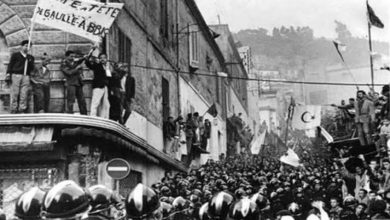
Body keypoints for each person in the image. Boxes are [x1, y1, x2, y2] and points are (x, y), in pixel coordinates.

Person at [6, 40, 35, 113]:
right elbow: (10, 64)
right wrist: (8, 73)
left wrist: (29, 61)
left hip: (26, 76)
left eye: (29, 46)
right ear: (21, 46)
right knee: (15, 93)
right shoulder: (15, 55)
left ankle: (22, 108)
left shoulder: (30, 57)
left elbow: (32, 68)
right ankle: (13, 109)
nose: (27, 48)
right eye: (26, 46)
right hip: (16, 75)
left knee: (24, 93)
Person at [61, 50, 87, 115]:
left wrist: (86, 56)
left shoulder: (75, 61)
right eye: (71, 56)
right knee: (71, 101)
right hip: (71, 84)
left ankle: (84, 115)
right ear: (66, 57)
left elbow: (83, 58)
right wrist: (77, 68)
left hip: (78, 83)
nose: (73, 57)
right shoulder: (64, 63)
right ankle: (70, 115)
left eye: (74, 56)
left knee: (82, 101)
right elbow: (69, 72)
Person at [85, 52, 111, 118]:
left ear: (106, 59)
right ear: (99, 59)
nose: (103, 59)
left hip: (105, 87)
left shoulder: (107, 67)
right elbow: (88, 64)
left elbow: (109, 77)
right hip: (98, 86)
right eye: (101, 58)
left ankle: (104, 118)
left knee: (106, 104)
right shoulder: (97, 65)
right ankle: (92, 116)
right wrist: (89, 54)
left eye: (104, 58)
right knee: (95, 102)